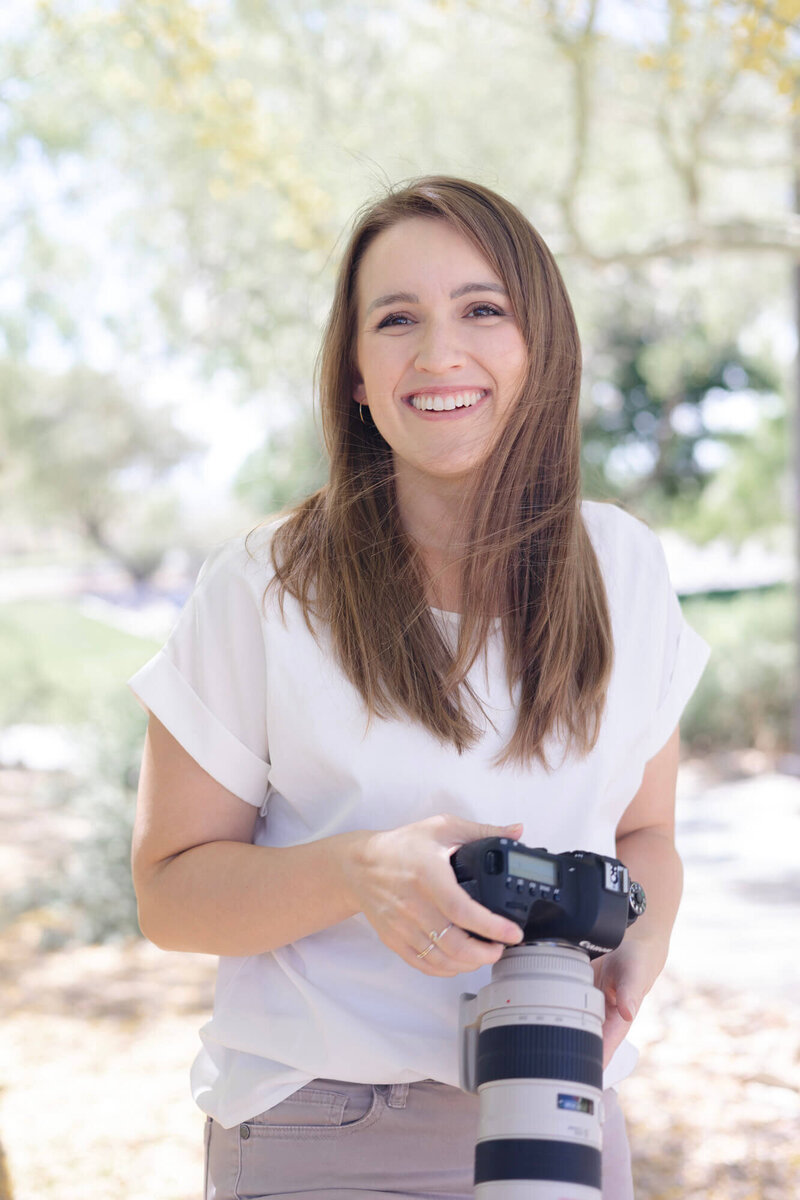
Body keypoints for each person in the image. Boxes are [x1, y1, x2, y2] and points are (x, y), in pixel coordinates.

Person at [129, 175, 709, 1200]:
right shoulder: (263, 587)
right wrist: (358, 872)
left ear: (540, 346)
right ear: (355, 372)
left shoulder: (622, 567)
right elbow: (170, 894)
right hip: (327, 1123)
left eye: (482, 310)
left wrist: (636, 946)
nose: (439, 354)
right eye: (396, 320)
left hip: (565, 1102)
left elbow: (645, 837)